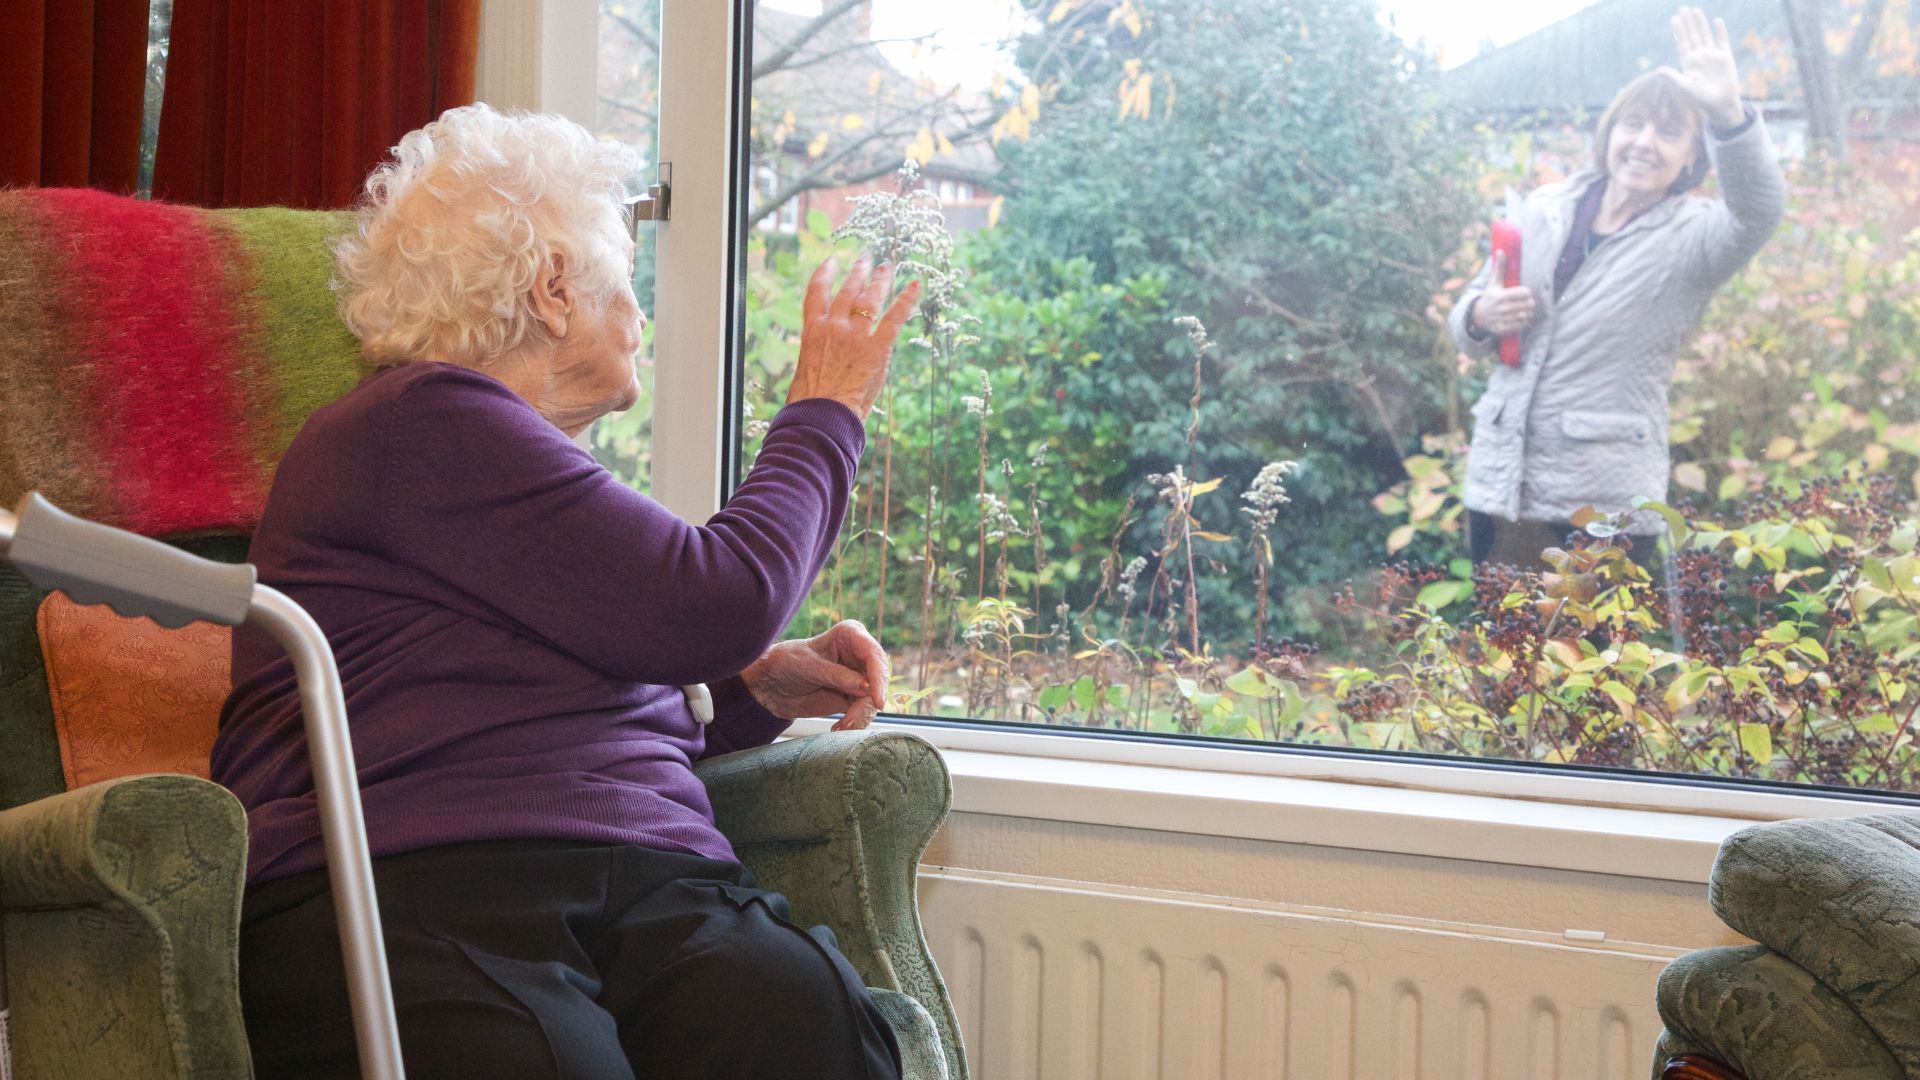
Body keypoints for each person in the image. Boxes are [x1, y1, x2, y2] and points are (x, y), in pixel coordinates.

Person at [211, 103, 920, 1079]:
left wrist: (752, 694)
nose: (639, 317)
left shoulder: (512, 479)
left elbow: (570, 708)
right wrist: (827, 409)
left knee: (802, 1018)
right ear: (553, 289)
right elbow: (715, 600)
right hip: (417, 889)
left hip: (647, 884)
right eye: (624, 283)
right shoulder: (412, 423)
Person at [1449, 6, 1786, 569]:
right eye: (1634, 124)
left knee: (1592, 657)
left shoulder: (1693, 238)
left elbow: (1759, 211)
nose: (1645, 142)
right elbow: (1469, 325)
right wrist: (1481, 314)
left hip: (1601, 505)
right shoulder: (1544, 208)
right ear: (1610, 132)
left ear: (1690, 159)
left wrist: (1728, 113)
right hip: (1500, 487)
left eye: (1669, 132)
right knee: (1498, 652)